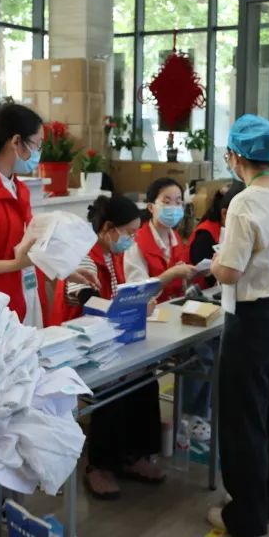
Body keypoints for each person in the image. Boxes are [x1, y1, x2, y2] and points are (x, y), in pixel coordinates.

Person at [206, 115, 269, 537]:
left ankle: (246, 515)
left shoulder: (246, 202)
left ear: (235, 156)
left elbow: (230, 272)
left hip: (252, 322)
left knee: (243, 419)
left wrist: (215, 262)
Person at [51, 195, 166, 501]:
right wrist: (129, 307)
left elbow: (117, 298)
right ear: (108, 228)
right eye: (128, 233)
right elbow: (87, 300)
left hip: (106, 341)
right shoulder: (85, 255)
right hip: (77, 346)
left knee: (145, 378)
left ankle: (133, 455)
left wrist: (138, 303)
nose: (131, 239)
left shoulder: (112, 255)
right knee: (115, 385)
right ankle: (98, 465)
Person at [0, 105, 100, 328]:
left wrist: (65, 271)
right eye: (37, 144)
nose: (39, 152)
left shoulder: (19, 189)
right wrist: (14, 265)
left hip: (23, 299)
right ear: (16, 142)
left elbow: (26, 251)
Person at [183, 182, 245, 440]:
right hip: (195, 300)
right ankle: (192, 413)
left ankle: (211, 403)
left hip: (216, 299)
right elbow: (204, 275)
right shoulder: (206, 233)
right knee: (205, 348)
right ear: (225, 213)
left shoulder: (233, 231)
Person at [125, 177, 198, 301]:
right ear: (151, 207)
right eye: (167, 202)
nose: (173, 207)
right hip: (149, 310)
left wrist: (193, 273)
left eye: (178, 202)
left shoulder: (176, 237)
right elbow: (137, 293)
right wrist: (172, 273)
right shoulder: (136, 242)